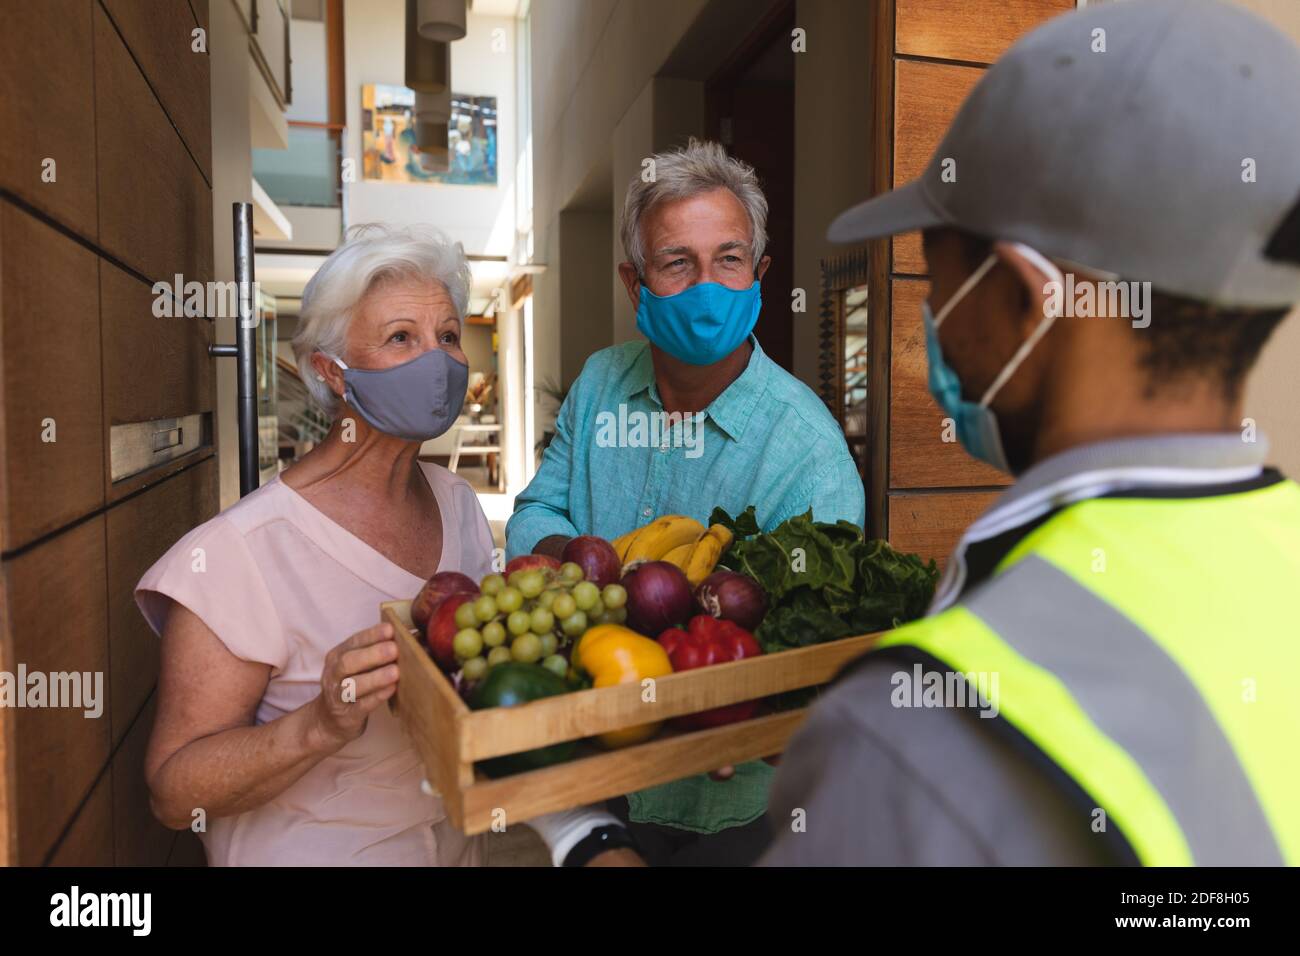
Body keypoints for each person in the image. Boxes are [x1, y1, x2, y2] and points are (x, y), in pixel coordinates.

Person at [531, 0, 1300, 867]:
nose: (931, 320)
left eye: (939, 280)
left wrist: (580, 831)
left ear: (1024, 299)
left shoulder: (922, 723)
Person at [507, 139, 865, 864]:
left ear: (761, 275)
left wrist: (741, 705)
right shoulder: (602, 383)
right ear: (634, 285)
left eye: (729, 260)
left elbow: (810, 643)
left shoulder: (805, 450)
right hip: (598, 759)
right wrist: (580, 567)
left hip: (738, 807)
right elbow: (537, 513)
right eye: (677, 263)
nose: (709, 285)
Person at [136, 224, 495, 866]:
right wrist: (320, 722)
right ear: (333, 372)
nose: (436, 360)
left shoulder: (459, 506)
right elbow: (173, 792)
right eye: (400, 338)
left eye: (447, 336)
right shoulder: (237, 553)